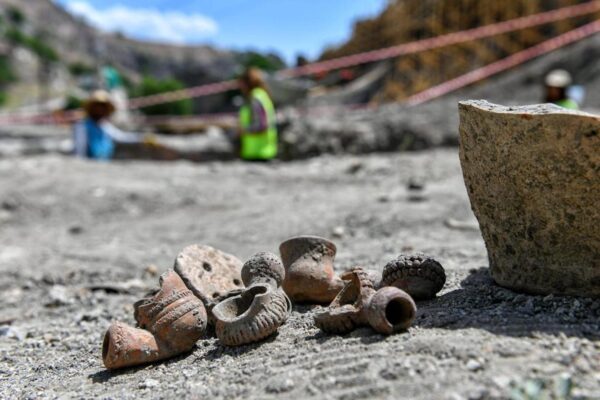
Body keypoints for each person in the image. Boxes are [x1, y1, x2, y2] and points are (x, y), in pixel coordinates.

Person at [73, 90, 152, 160]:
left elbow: (122, 137)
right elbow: (80, 150)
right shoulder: (82, 126)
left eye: (103, 107)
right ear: (92, 108)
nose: (100, 110)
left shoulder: (105, 126)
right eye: (98, 106)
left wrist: (143, 138)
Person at [237, 68, 278, 161]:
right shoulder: (261, 95)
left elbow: (261, 125)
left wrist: (243, 130)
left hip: (259, 153)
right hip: (260, 152)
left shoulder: (256, 98)